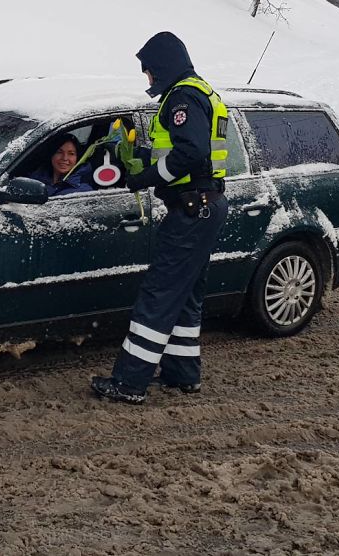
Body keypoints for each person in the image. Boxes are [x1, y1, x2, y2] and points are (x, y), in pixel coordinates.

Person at [91, 31, 229, 404]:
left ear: (162, 66)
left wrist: (145, 177)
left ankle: (129, 382)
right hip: (203, 204)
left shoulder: (182, 96)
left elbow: (191, 152)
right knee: (185, 294)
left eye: (149, 71)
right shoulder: (200, 91)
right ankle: (182, 374)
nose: (148, 79)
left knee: (160, 293)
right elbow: (188, 149)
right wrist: (142, 153)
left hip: (192, 207)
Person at [27, 132, 93, 196]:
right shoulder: (35, 179)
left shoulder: (83, 192)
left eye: (71, 154)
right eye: (59, 152)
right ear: (51, 154)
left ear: (77, 158)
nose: (65, 158)